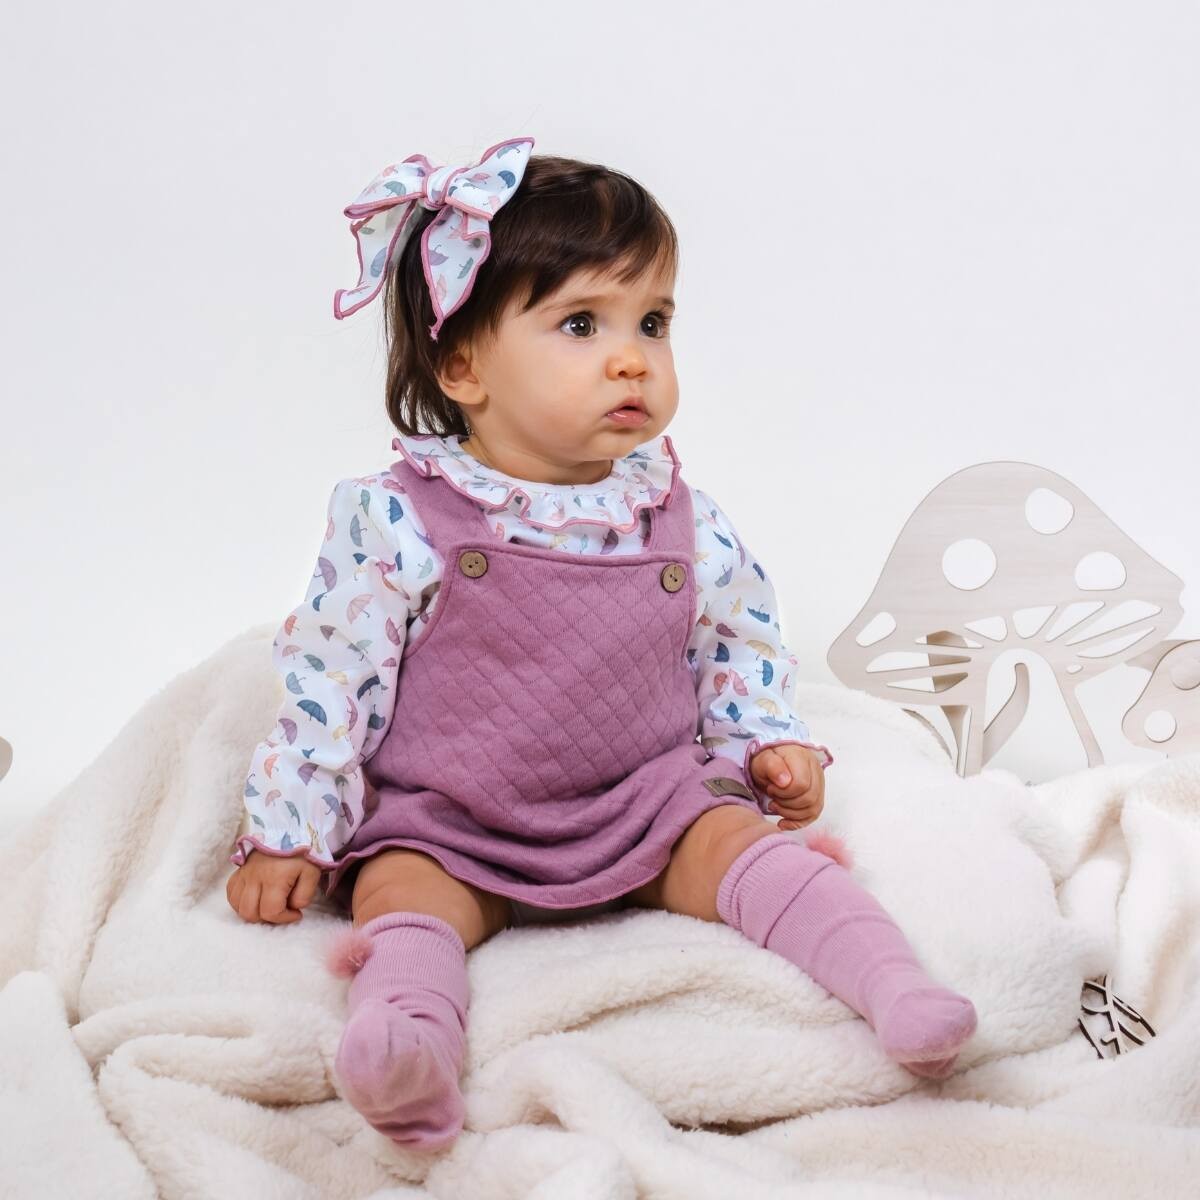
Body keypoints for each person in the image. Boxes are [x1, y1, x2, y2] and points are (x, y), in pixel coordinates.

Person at [225, 136, 977, 1150]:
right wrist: (291, 830)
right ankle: (406, 1048)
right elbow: (333, 680)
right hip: (455, 821)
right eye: (581, 324)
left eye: (652, 322)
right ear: (462, 365)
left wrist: (766, 742)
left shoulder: (677, 515)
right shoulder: (401, 518)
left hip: (645, 803)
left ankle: (895, 986)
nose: (633, 358)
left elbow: (739, 641)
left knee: (747, 849)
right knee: (401, 894)